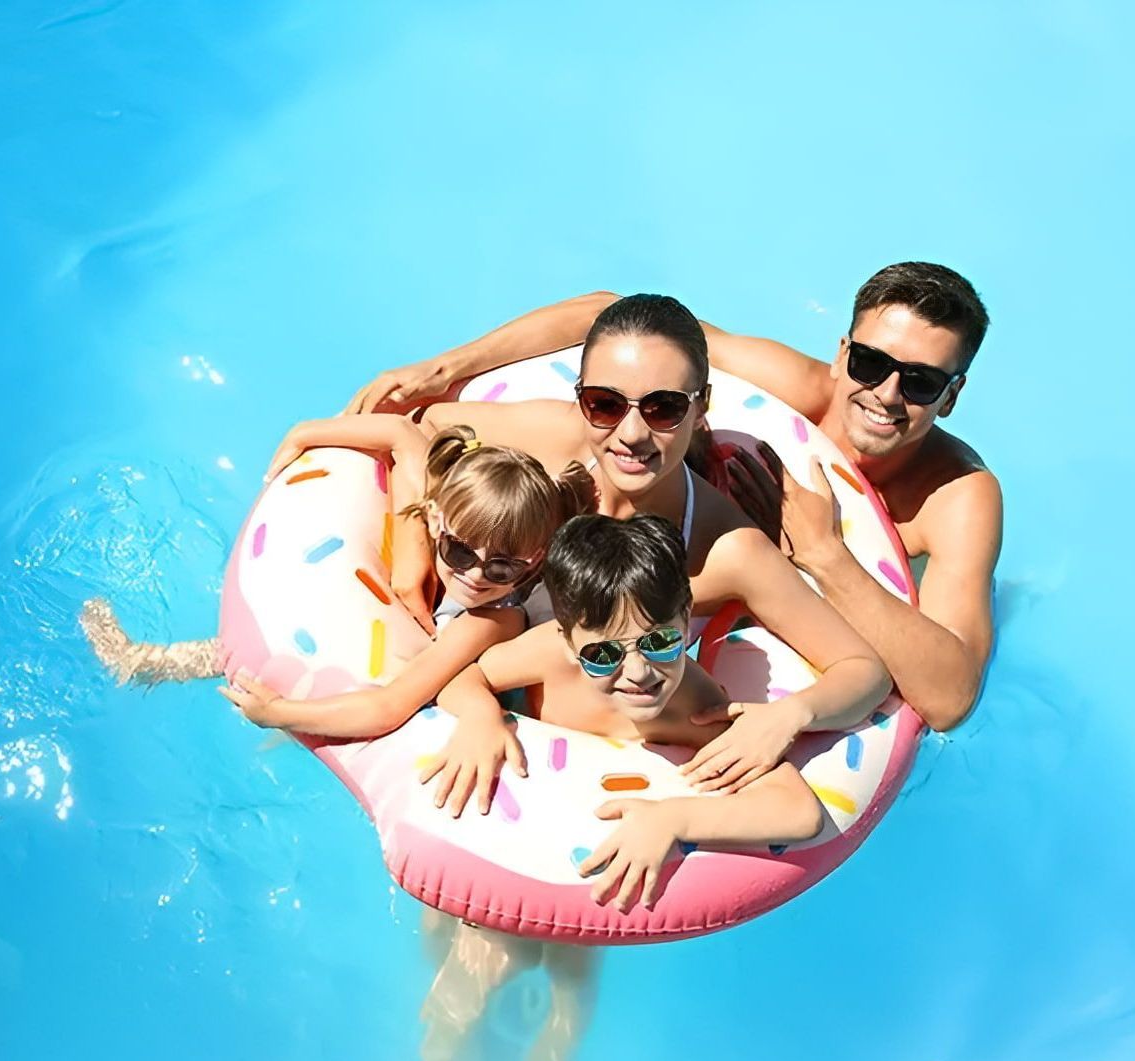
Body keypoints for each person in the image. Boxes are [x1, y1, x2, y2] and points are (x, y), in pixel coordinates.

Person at [269, 294, 892, 808]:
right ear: (581, 399)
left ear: (702, 405)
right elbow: (422, 434)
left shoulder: (724, 547)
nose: (630, 433)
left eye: (665, 408)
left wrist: (790, 715)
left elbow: (864, 673)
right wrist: (411, 570)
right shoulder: (551, 441)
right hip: (469, 682)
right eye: (605, 404)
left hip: (574, 747)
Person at [328, 264, 1001, 731]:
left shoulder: (955, 496)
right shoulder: (780, 391)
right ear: (842, 352)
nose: (884, 394)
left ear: (952, 392)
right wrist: (446, 370)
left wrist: (823, 553)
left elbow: (946, 699)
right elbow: (613, 319)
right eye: (870, 364)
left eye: (917, 381)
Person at [411, 513, 830, 1061]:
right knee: (472, 969)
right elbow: (461, 677)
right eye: (603, 654)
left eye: (662, 642)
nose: (637, 673)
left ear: (685, 620)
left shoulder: (694, 703)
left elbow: (799, 812)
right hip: (510, 846)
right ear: (569, 637)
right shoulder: (547, 655)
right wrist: (483, 718)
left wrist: (675, 819)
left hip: (582, 867)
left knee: (573, 985)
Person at [84, 418, 593, 804]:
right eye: (461, 552)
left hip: (447, 685)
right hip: (375, 626)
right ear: (438, 517)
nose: (476, 574)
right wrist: (302, 435)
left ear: (536, 561)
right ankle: (143, 662)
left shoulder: (494, 620)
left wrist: (278, 714)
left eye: (504, 567)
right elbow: (402, 435)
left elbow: (391, 707)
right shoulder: (428, 514)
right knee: (286, 635)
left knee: (298, 681)